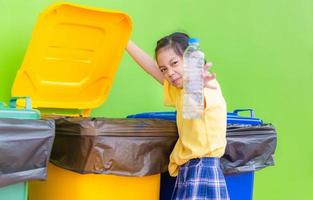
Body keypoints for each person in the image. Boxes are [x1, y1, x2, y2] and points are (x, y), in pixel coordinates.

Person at [126, 32, 229, 200]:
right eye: (164, 69)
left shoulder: (207, 87)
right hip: (189, 169)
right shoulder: (180, 90)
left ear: (191, 59)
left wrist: (196, 83)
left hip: (202, 168)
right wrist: (125, 42)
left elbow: (198, 103)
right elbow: (152, 69)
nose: (170, 73)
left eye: (174, 63)